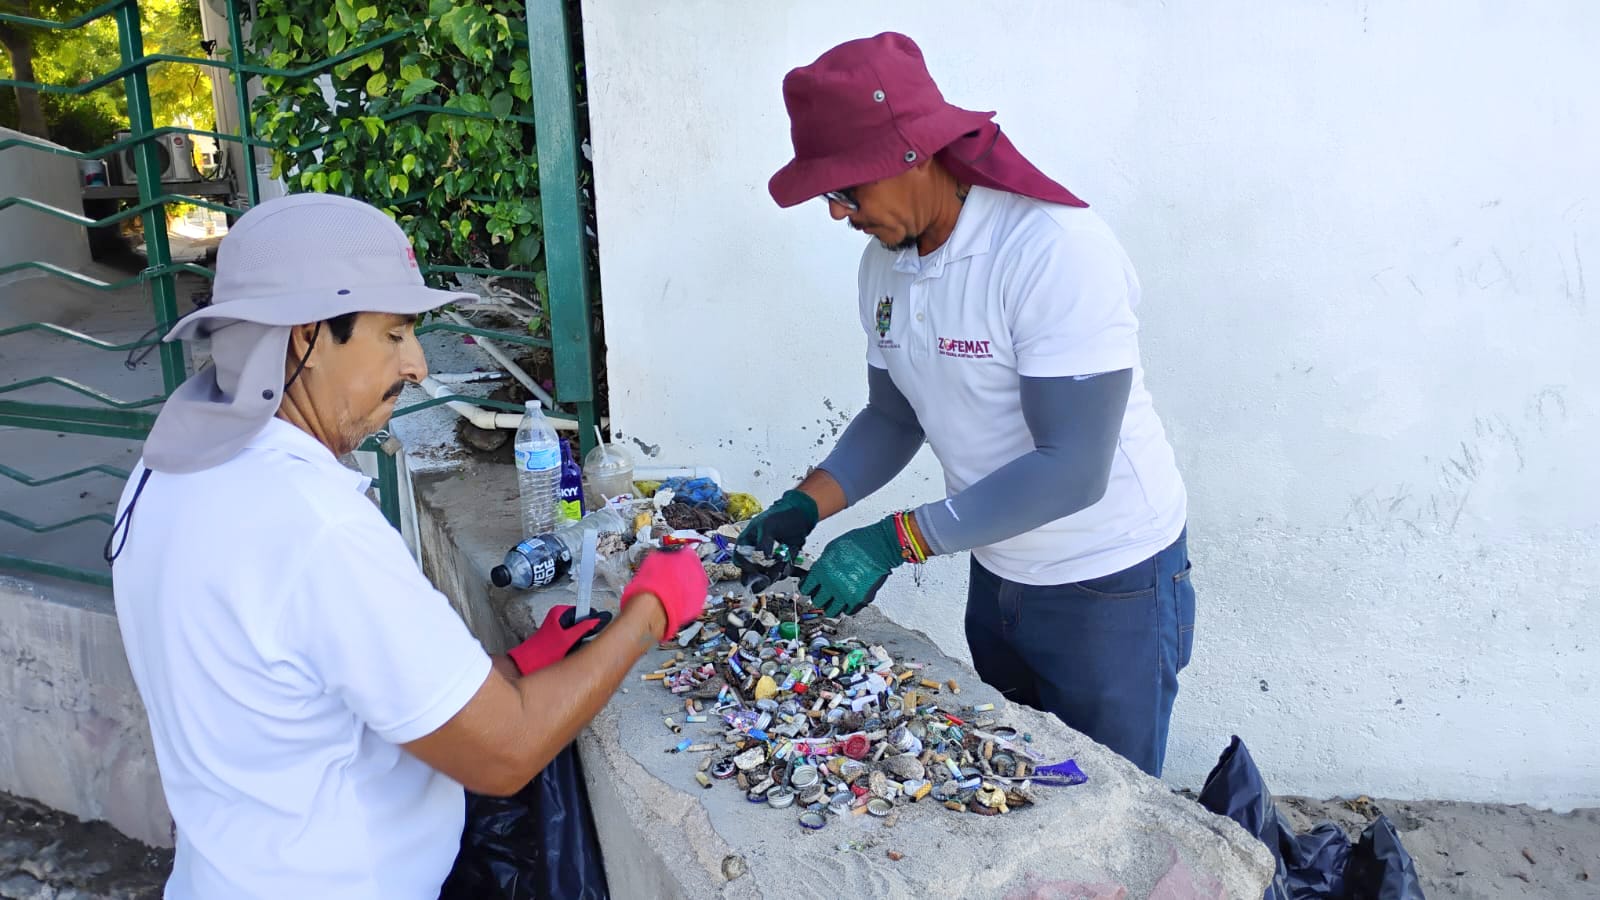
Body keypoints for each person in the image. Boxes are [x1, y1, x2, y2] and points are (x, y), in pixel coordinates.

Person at [106, 193, 708, 899]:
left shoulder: (165, 472)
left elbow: (304, 681)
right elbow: (505, 755)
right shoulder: (312, 525)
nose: (418, 365)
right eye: (393, 335)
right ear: (306, 336)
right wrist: (648, 614)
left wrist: (508, 667)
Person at [739, 32, 1194, 777]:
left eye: (845, 190)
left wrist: (893, 540)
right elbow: (893, 418)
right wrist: (803, 504)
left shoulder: (1050, 251)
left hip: (1109, 586)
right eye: (830, 195)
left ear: (912, 154)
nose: (837, 212)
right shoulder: (883, 266)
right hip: (997, 569)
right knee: (1014, 788)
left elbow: (1074, 468)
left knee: (1107, 812)